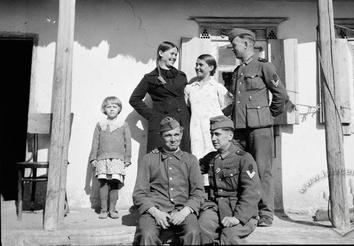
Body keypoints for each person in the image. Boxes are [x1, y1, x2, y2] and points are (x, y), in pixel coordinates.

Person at [227, 28, 289, 227]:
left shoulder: (264, 66)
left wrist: (268, 116)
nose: (233, 49)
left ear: (246, 44)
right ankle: (246, 211)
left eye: (234, 45)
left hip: (260, 129)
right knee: (240, 169)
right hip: (239, 129)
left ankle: (266, 214)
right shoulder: (237, 71)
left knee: (262, 171)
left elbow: (281, 95)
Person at [132, 116, 204, 245]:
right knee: (147, 234)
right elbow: (139, 194)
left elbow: (198, 192)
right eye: (168, 135)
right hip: (155, 211)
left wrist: (184, 212)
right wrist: (155, 212)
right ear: (161, 136)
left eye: (176, 134)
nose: (173, 139)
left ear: (181, 135)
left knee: (193, 232)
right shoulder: (148, 159)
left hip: (183, 210)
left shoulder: (190, 160)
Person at [198, 115, 261, 245]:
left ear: (230, 136)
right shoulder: (211, 158)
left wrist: (238, 218)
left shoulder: (244, 158)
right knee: (201, 227)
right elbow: (190, 169)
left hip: (241, 212)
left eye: (217, 134)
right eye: (211, 134)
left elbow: (252, 192)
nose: (213, 138)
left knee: (229, 236)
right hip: (216, 208)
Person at [129, 41, 191, 153]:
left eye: (176, 55)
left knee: (182, 161)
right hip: (162, 124)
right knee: (159, 161)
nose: (174, 57)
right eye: (171, 54)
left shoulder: (181, 76)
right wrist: (153, 116)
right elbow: (134, 99)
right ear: (161, 53)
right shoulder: (151, 78)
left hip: (181, 124)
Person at [89, 96, 132, 219]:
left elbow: (127, 142)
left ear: (119, 109)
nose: (112, 109)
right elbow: (95, 142)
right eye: (109, 107)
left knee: (114, 184)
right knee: (103, 183)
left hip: (118, 159)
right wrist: (94, 158)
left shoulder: (123, 125)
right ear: (104, 109)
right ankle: (103, 210)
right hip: (102, 159)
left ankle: (112, 209)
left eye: (115, 106)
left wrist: (127, 158)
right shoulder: (100, 124)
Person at [184, 54, 232, 160]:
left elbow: (228, 109)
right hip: (196, 132)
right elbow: (188, 108)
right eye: (196, 64)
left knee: (216, 159)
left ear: (211, 68)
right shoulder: (189, 88)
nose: (197, 67)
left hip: (214, 133)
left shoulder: (218, 88)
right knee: (197, 161)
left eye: (201, 65)